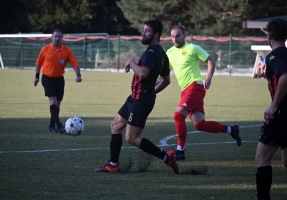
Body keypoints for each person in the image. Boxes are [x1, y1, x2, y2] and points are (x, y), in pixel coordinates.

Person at [94, 19, 179, 174]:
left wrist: (131, 62)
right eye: (144, 30)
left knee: (132, 138)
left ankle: (167, 157)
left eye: (147, 30)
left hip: (141, 100)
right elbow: (166, 81)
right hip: (136, 97)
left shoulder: (151, 52)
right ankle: (113, 165)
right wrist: (153, 92)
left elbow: (142, 73)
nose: (144, 33)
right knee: (115, 125)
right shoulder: (162, 54)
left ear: (156, 34)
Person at [165, 26, 242, 160]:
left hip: (195, 87)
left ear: (184, 36)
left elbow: (210, 60)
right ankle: (231, 130)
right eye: (172, 36)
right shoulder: (170, 52)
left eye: (177, 36)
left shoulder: (192, 48)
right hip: (185, 91)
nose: (174, 39)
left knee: (178, 116)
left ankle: (180, 150)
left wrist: (209, 78)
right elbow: (164, 72)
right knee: (200, 124)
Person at [254, 18, 287, 200]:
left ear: (269, 35)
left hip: (281, 116)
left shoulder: (274, 57)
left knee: (261, 159)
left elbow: (285, 77)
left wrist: (274, 105)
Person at [33, 28, 82, 134]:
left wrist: (78, 75)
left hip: (59, 79)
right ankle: (59, 125)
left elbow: (75, 64)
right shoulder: (45, 49)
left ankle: (51, 126)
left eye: (59, 36)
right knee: (53, 102)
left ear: (62, 38)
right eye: (55, 36)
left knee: (57, 105)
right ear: (51, 37)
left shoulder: (66, 51)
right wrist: (36, 77)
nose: (57, 38)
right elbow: (38, 63)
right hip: (47, 78)